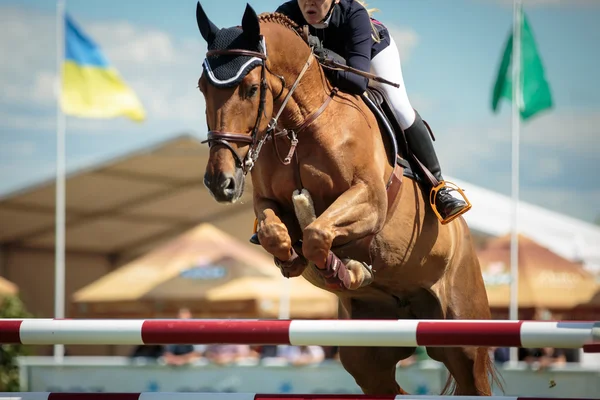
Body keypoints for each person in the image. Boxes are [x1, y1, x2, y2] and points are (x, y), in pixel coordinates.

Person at [276, 0, 468, 219]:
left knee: (399, 106)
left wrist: (322, 57)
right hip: (330, 64)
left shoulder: (353, 14)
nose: (309, 2)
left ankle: (438, 186)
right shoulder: (287, 14)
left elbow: (358, 82)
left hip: (371, 55)